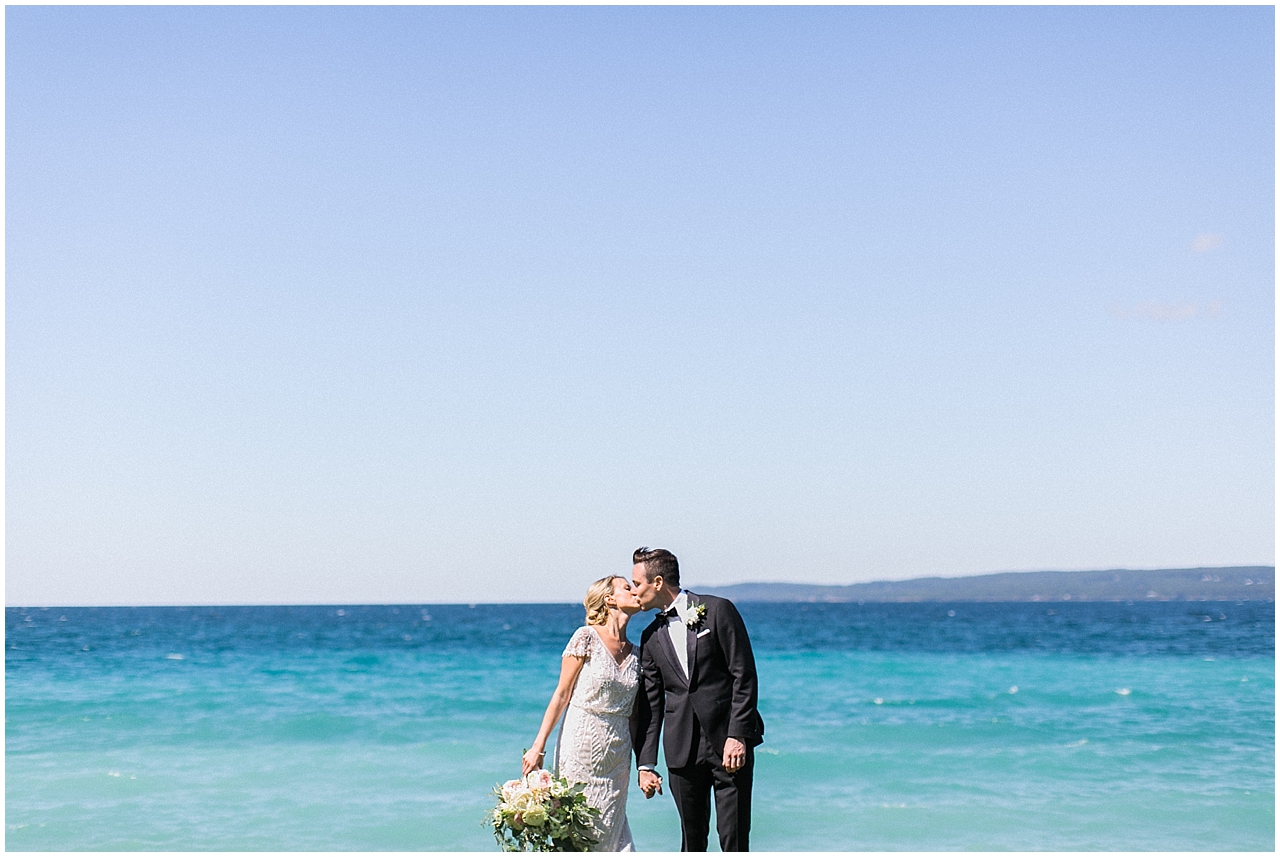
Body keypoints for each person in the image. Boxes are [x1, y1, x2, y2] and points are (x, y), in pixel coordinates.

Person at [631, 547, 764, 852]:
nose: (634, 591)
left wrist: (737, 735)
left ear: (658, 582)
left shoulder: (718, 610)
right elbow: (651, 705)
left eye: (637, 583)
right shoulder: (650, 637)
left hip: (729, 745)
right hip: (682, 750)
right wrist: (646, 764)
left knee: (734, 839)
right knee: (691, 843)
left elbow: (743, 675)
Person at [523, 576, 642, 851]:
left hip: (618, 754)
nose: (635, 591)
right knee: (578, 824)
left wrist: (644, 763)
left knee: (611, 822)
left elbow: (636, 714)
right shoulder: (585, 637)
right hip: (581, 744)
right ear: (609, 599)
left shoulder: (638, 653)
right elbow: (562, 694)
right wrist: (537, 746)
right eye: (627, 587)